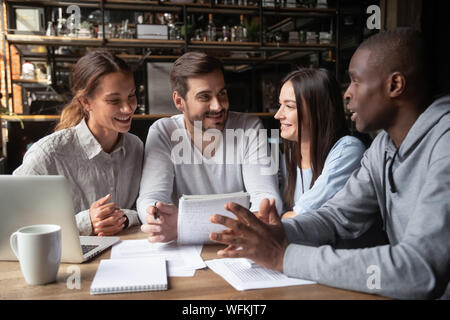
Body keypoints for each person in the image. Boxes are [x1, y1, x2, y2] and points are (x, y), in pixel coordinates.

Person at [209, 28, 450, 299]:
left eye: (356, 81)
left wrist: (284, 257)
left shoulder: (445, 144)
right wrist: (278, 232)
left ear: (394, 85)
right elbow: (337, 216)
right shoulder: (383, 146)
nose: (347, 94)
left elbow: (418, 269)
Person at [138, 51, 282, 243]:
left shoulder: (249, 127)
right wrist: (156, 218)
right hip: (187, 251)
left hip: (240, 246)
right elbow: (151, 198)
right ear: (179, 101)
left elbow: (266, 198)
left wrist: (182, 225)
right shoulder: (164, 131)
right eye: (205, 97)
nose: (218, 106)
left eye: (222, 93)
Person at [13, 50, 143, 237]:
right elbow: (13, 220)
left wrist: (123, 217)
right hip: (66, 263)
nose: (128, 107)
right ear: (85, 102)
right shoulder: (49, 154)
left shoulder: (136, 147)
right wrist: (86, 223)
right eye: (114, 100)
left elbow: (147, 206)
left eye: (131, 95)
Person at [275, 68, 366, 219]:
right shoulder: (289, 157)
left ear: (318, 110)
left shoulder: (348, 150)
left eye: (289, 106)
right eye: (280, 105)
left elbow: (303, 214)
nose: (278, 115)